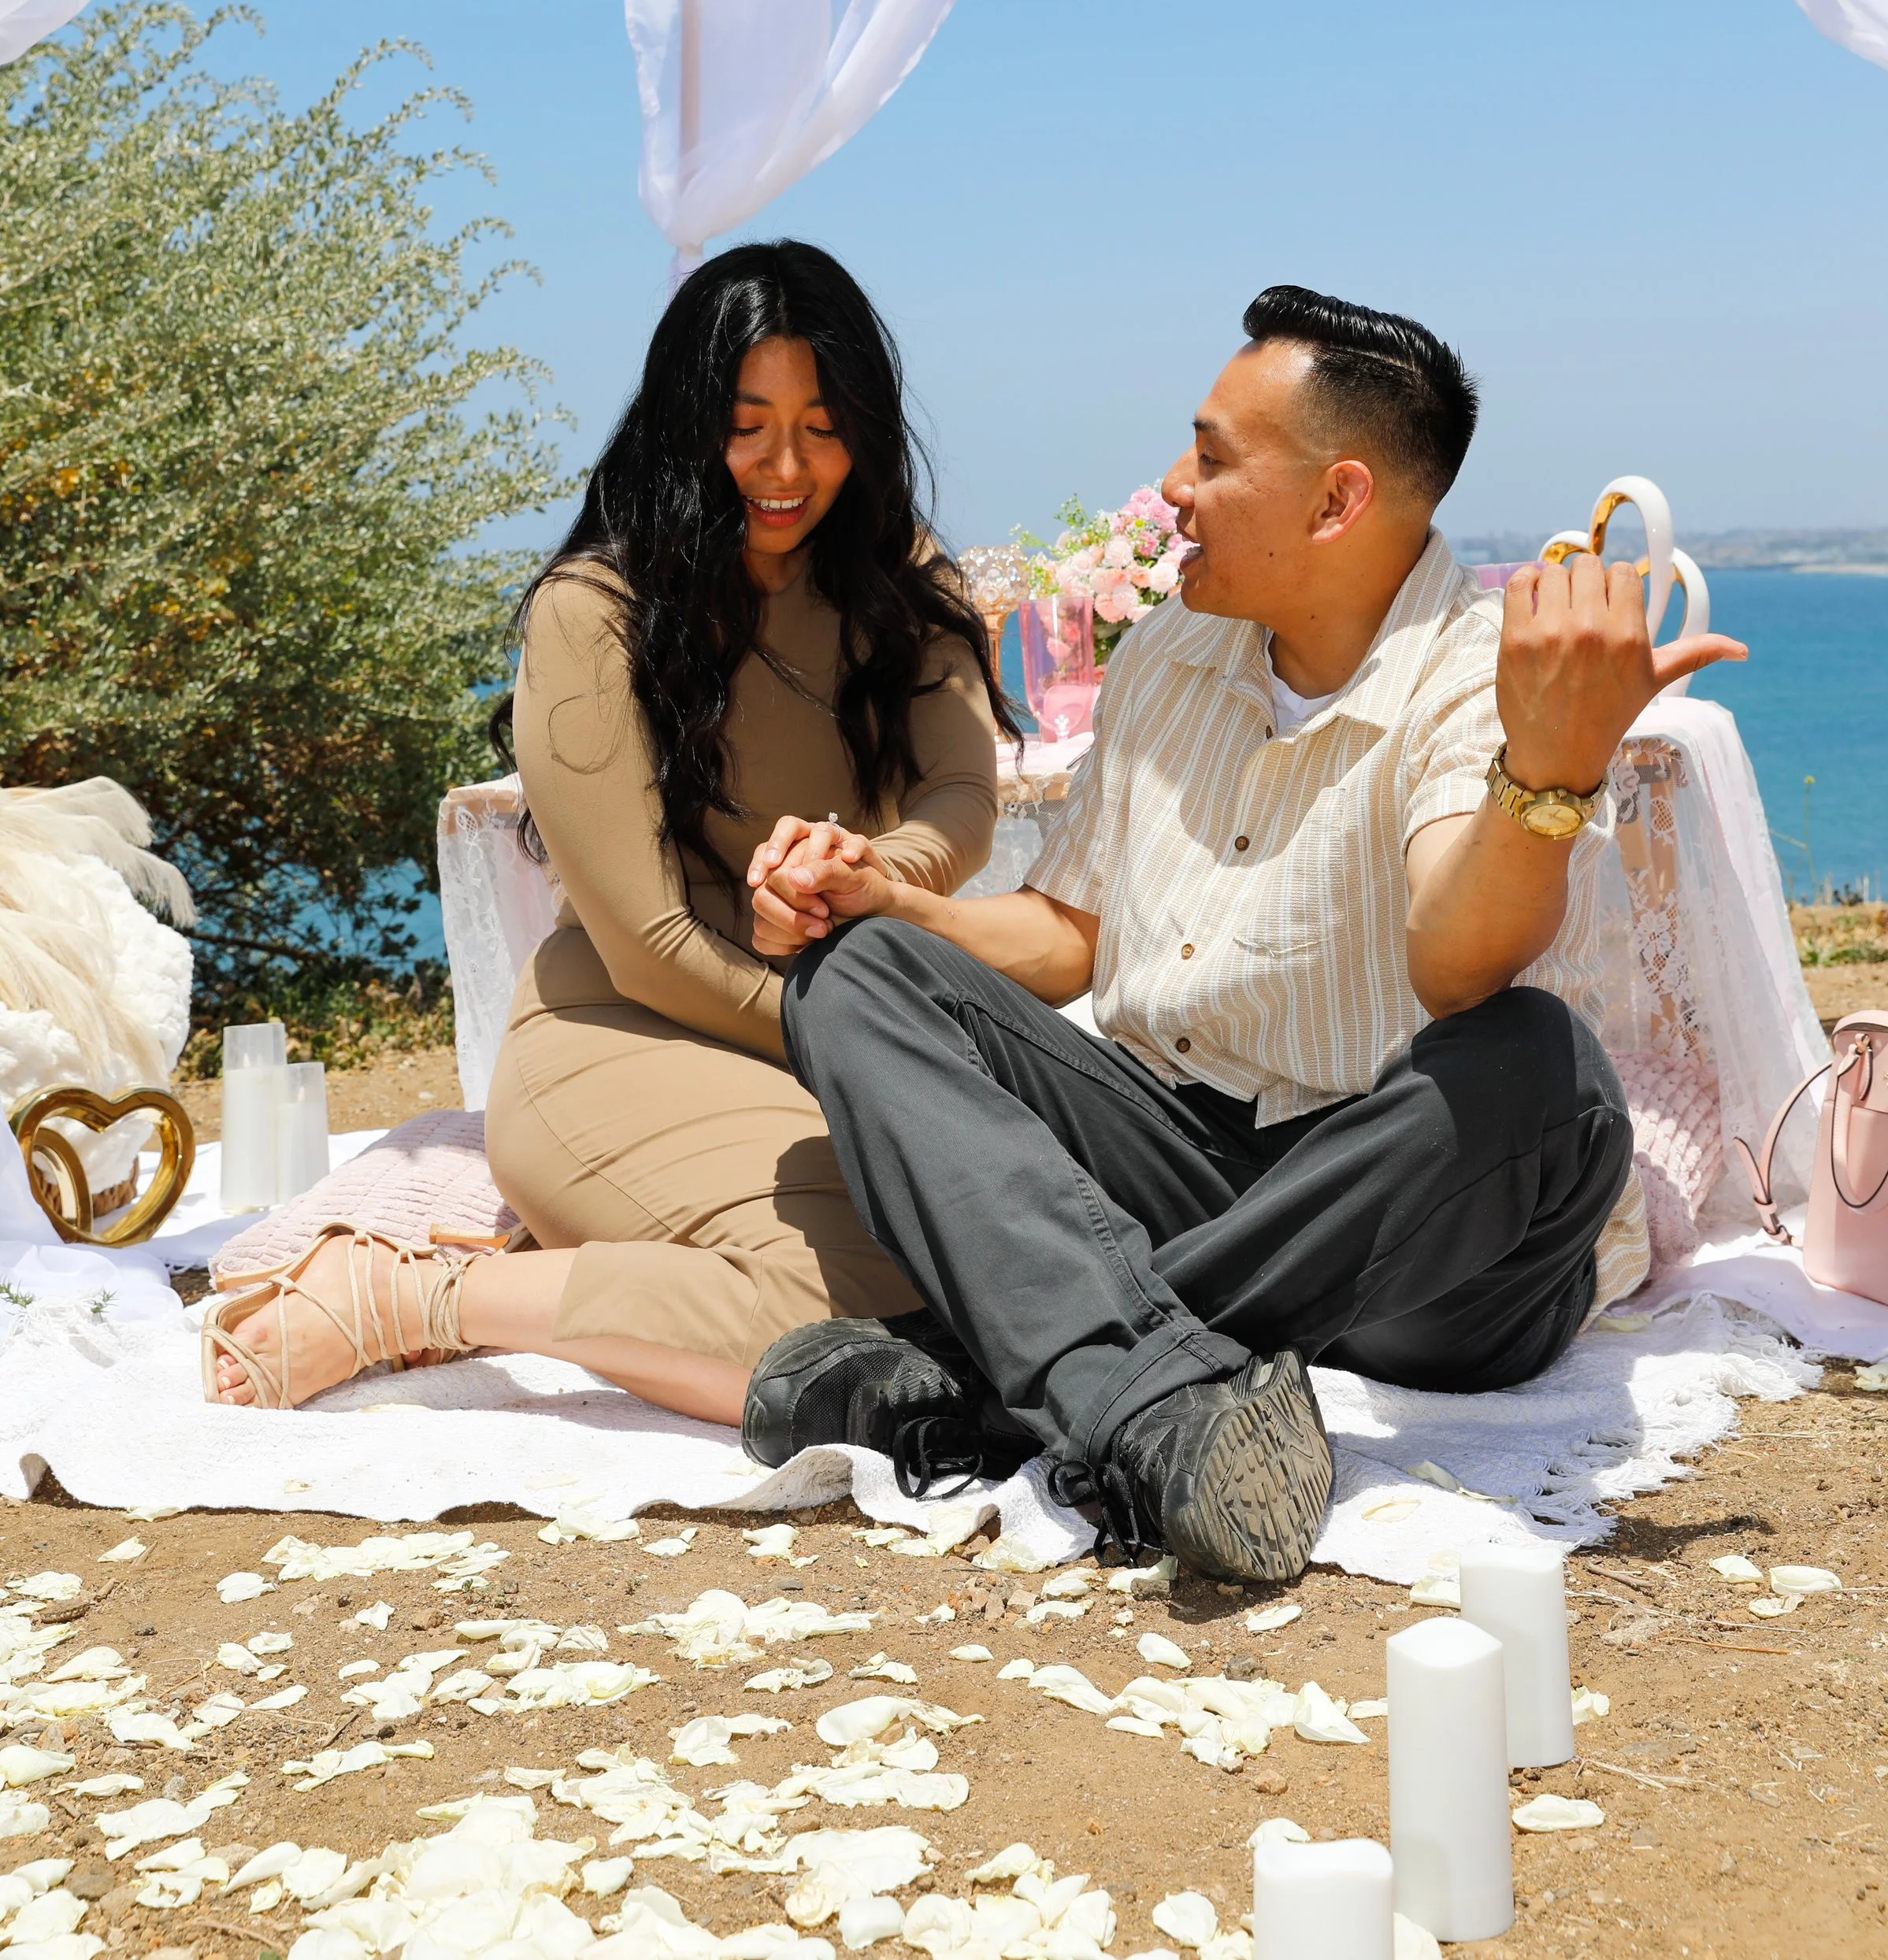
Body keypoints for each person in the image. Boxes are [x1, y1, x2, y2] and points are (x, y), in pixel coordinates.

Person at [737, 286, 1747, 1586]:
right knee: (854, 972)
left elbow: (1456, 964)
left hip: (1418, 1227)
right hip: (1186, 1157)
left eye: (1211, 456)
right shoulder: (1171, 649)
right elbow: (1078, 928)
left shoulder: (1477, 668)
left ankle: (991, 1386)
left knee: (1544, 1071)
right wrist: (896, 903)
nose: (1171, 485)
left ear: (1335, 502)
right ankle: (1146, 1396)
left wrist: (1546, 771)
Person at [203, 242, 1009, 1417]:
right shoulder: (593, 615)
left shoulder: (896, 577)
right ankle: (414, 1301)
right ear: (687, 423)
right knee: (866, 1296)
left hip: (835, 1034)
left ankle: (550, 1268)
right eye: (748, 426)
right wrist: (851, 1034)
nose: (787, 467)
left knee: (981, 1263)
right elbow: (645, 945)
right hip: (624, 1033)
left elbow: (964, 795)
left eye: (823, 426)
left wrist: (875, 869)